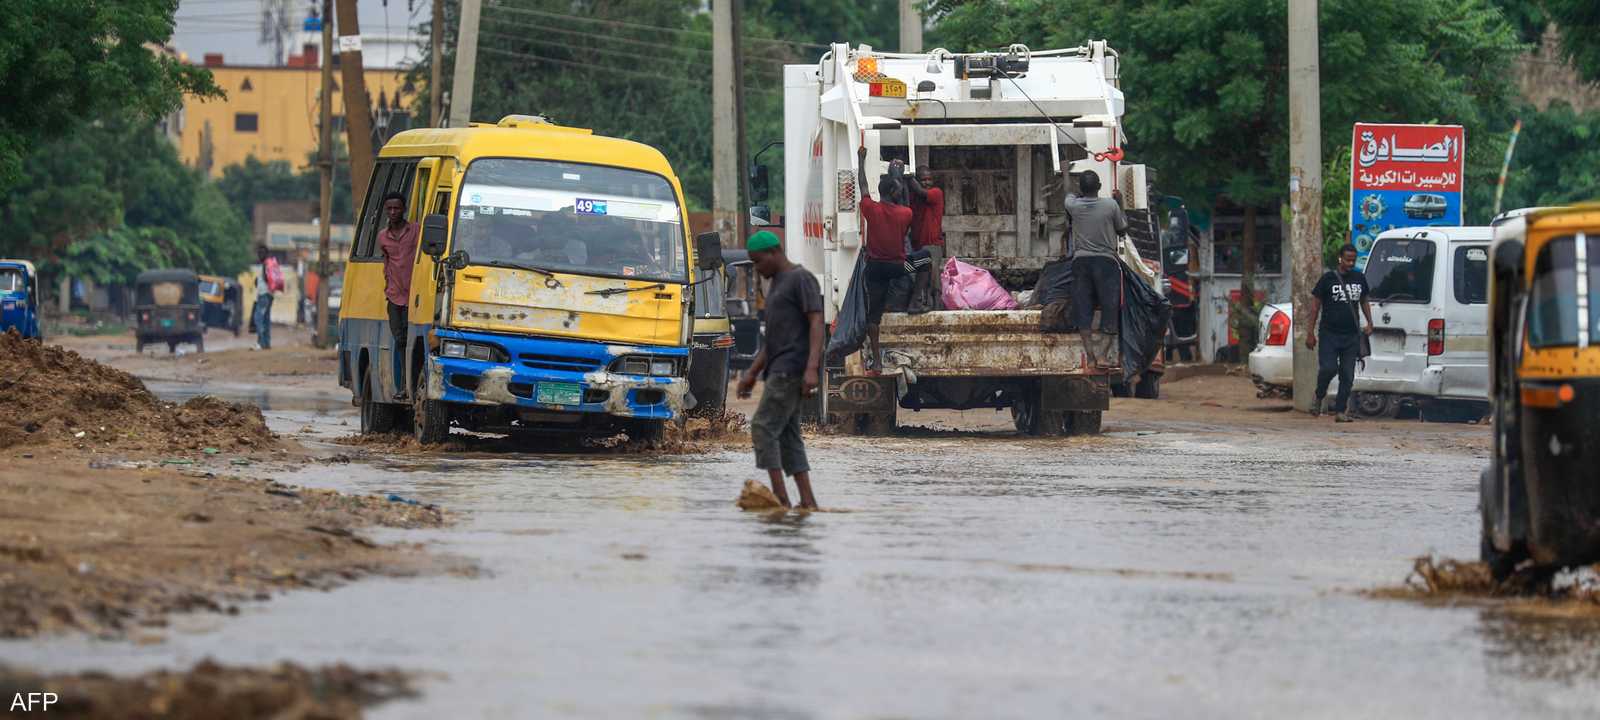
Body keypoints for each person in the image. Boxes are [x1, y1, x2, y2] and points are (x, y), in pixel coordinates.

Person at [736, 231, 824, 509]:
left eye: (759, 262)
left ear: (775, 252)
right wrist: (751, 372)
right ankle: (807, 501)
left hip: (791, 369)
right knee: (787, 434)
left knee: (763, 427)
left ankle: (781, 498)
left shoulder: (801, 279)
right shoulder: (775, 284)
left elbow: (817, 322)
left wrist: (812, 368)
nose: (757, 269)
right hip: (777, 367)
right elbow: (773, 339)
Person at [856, 145, 916, 372]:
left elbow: (863, 185)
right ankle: (918, 298)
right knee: (925, 260)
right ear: (895, 192)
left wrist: (861, 160)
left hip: (875, 268)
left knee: (874, 315)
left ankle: (877, 361)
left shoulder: (871, 208)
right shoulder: (906, 214)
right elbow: (905, 211)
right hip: (897, 267)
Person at [1063, 170, 1127, 369]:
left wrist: (1066, 172)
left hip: (1081, 264)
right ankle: (1102, 356)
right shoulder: (1110, 205)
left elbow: (1067, 193)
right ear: (1099, 187)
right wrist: (1121, 202)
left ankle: (1090, 356)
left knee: (1083, 311)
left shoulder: (1074, 206)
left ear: (1081, 190)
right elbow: (1123, 229)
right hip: (1106, 264)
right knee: (1110, 310)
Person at [1306, 244, 1374, 422]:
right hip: (1329, 334)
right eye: (1347, 259)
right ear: (1340, 258)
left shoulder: (1359, 278)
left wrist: (1370, 322)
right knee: (1329, 368)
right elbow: (1314, 307)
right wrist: (1310, 333)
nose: (1350, 263)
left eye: (1353, 259)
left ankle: (1340, 411)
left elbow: (1364, 300)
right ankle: (1319, 395)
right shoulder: (1328, 279)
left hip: (1351, 335)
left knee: (1347, 375)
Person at [378, 191, 419, 399]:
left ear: (404, 209)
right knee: (400, 339)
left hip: (415, 296)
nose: (393, 212)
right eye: (389, 208)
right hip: (394, 296)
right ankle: (403, 386)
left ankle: (410, 385)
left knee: (414, 341)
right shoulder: (383, 236)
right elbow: (386, 263)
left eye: (397, 208)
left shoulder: (416, 231)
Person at [904, 165, 945, 312]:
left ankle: (937, 307)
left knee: (933, 276)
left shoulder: (936, 193)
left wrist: (908, 176)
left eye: (929, 179)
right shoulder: (914, 197)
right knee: (922, 278)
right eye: (923, 180)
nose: (927, 183)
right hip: (918, 245)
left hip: (932, 244)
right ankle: (926, 305)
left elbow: (920, 192)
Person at [252, 244, 275, 350]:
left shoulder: (266, 264)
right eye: (259, 253)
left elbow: (266, 278)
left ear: (266, 254)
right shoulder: (271, 264)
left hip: (264, 294)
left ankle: (261, 343)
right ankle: (267, 343)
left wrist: (259, 281)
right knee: (266, 319)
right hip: (270, 294)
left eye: (261, 253)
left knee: (258, 318)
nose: (259, 255)